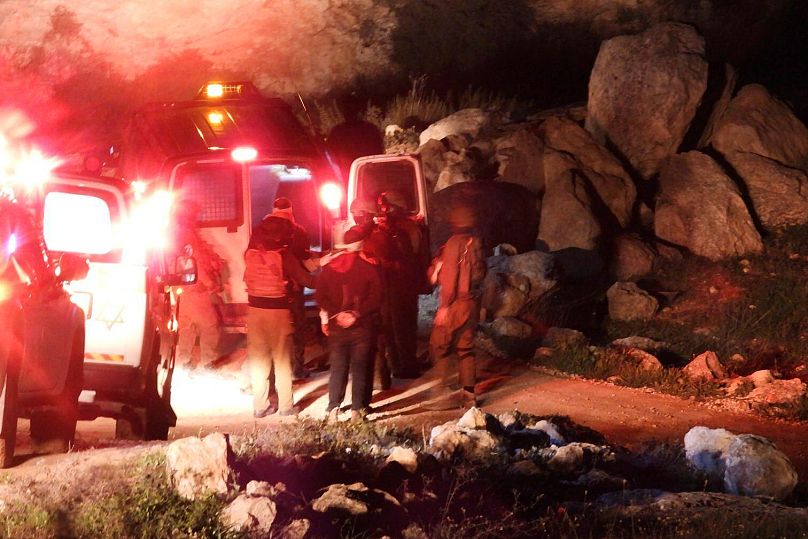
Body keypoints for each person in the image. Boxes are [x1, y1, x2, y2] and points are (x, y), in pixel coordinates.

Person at [244, 216, 315, 418]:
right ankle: (286, 406)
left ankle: (260, 406)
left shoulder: (250, 253)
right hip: (278, 312)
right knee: (282, 359)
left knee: (259, 360)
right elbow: (307, 280)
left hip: (254, 311)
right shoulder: (283, 255)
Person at [316, 226, 382, 423]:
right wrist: (356, 313)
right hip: (362, 327)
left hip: (337, 328)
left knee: (338, 367)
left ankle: (333, 410)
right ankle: (357, 411)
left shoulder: (329, 268)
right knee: (360, 367)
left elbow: (320, 296)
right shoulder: (368, 268)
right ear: (360, 244)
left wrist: (336, 314)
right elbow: (377, 297)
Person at [427, 205, 486, 409]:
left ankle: (441, 395)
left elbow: (450, 277)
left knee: (439, 345)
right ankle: (469, 396)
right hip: (472, 303)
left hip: (456, 304)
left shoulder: (454, 243)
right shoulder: (476, 242)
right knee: (465, 348)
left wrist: (444, 307)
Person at [375, 190, 428, 379]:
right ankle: (406, 363)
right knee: (406, 325)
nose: (381, 210)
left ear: (391, 207)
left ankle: (402, 367)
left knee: (396, 327)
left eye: (383, 206)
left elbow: (398, 260)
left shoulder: (397, 230)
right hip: (408, 284)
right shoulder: (412, 226)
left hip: (396, 285)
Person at [174, 200, 225, 369]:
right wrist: (209, 283)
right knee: (209, 325)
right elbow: (194, 261)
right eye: (194, 214)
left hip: (181, 287)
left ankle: (185, 361)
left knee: (187, 327)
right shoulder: (187, 234)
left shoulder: (173, 232)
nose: (196, 217)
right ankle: (208, 362)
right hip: (194, 287)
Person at [270, 197, 314, 380]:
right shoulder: (299, 231)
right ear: (291, 210)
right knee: (297, 326)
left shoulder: (264, 230)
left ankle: (276, 369)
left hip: (273, 288)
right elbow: (304, 256)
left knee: (276, 330)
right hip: (294, 286)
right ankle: (298, 367)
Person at [325, 94, 384, 182]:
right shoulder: (370, 129)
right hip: (349, 176)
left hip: (365, 176)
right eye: (348, 108)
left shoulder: (338, 131)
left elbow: (378, 155)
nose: (350, 111)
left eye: (352, 107)